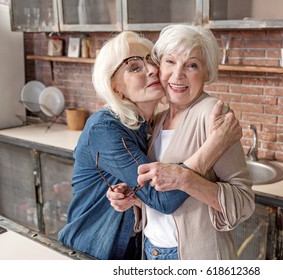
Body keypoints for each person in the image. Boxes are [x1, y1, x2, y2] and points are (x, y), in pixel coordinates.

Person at [58, 31, 242, 260]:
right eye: (134, 67)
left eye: (151, 60)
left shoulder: (151, 125)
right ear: (116, 88)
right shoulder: (104, 129)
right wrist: (214, 146)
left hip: (139, 251)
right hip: (93, 251)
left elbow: (153, 193)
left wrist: (133, 198)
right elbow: (161, 198)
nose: (153, 69)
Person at [108, 25, 255, 260]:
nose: (178, 75)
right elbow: (163, 194)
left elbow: (244, 202)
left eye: (191, 65)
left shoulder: (212, 114)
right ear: (158, 66)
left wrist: (185, 179)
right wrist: (136, 198)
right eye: (170, 62)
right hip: (152, 251)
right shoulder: (158, 120)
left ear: (206, 72)